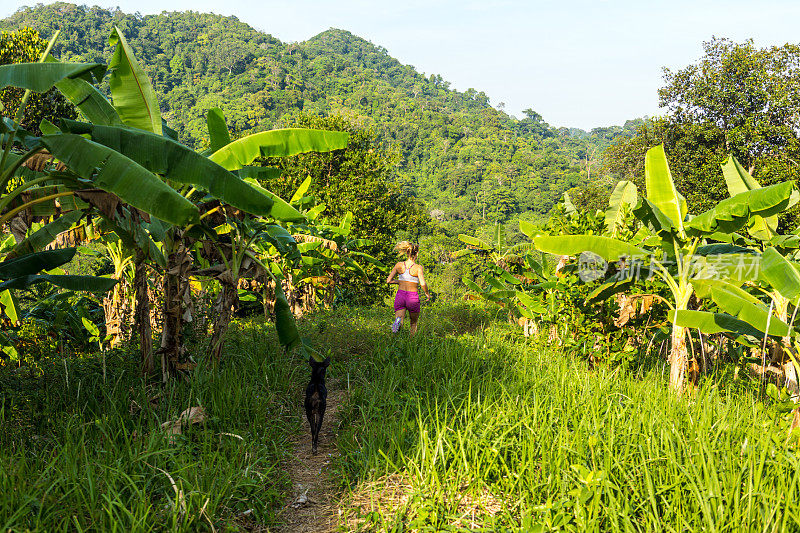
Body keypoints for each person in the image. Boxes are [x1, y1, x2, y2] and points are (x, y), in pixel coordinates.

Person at [386, 241, 432, 335]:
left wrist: (400, 281)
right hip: (412, 297)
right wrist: (427, 294)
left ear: (407, 252)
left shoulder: (399, 265)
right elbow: (423, 283)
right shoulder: (418, 268)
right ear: (417, 254)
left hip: (400, 296)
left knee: (399, 320)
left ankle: (396, 336)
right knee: (413, 323)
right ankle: (411, 342)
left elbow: (389, 280)